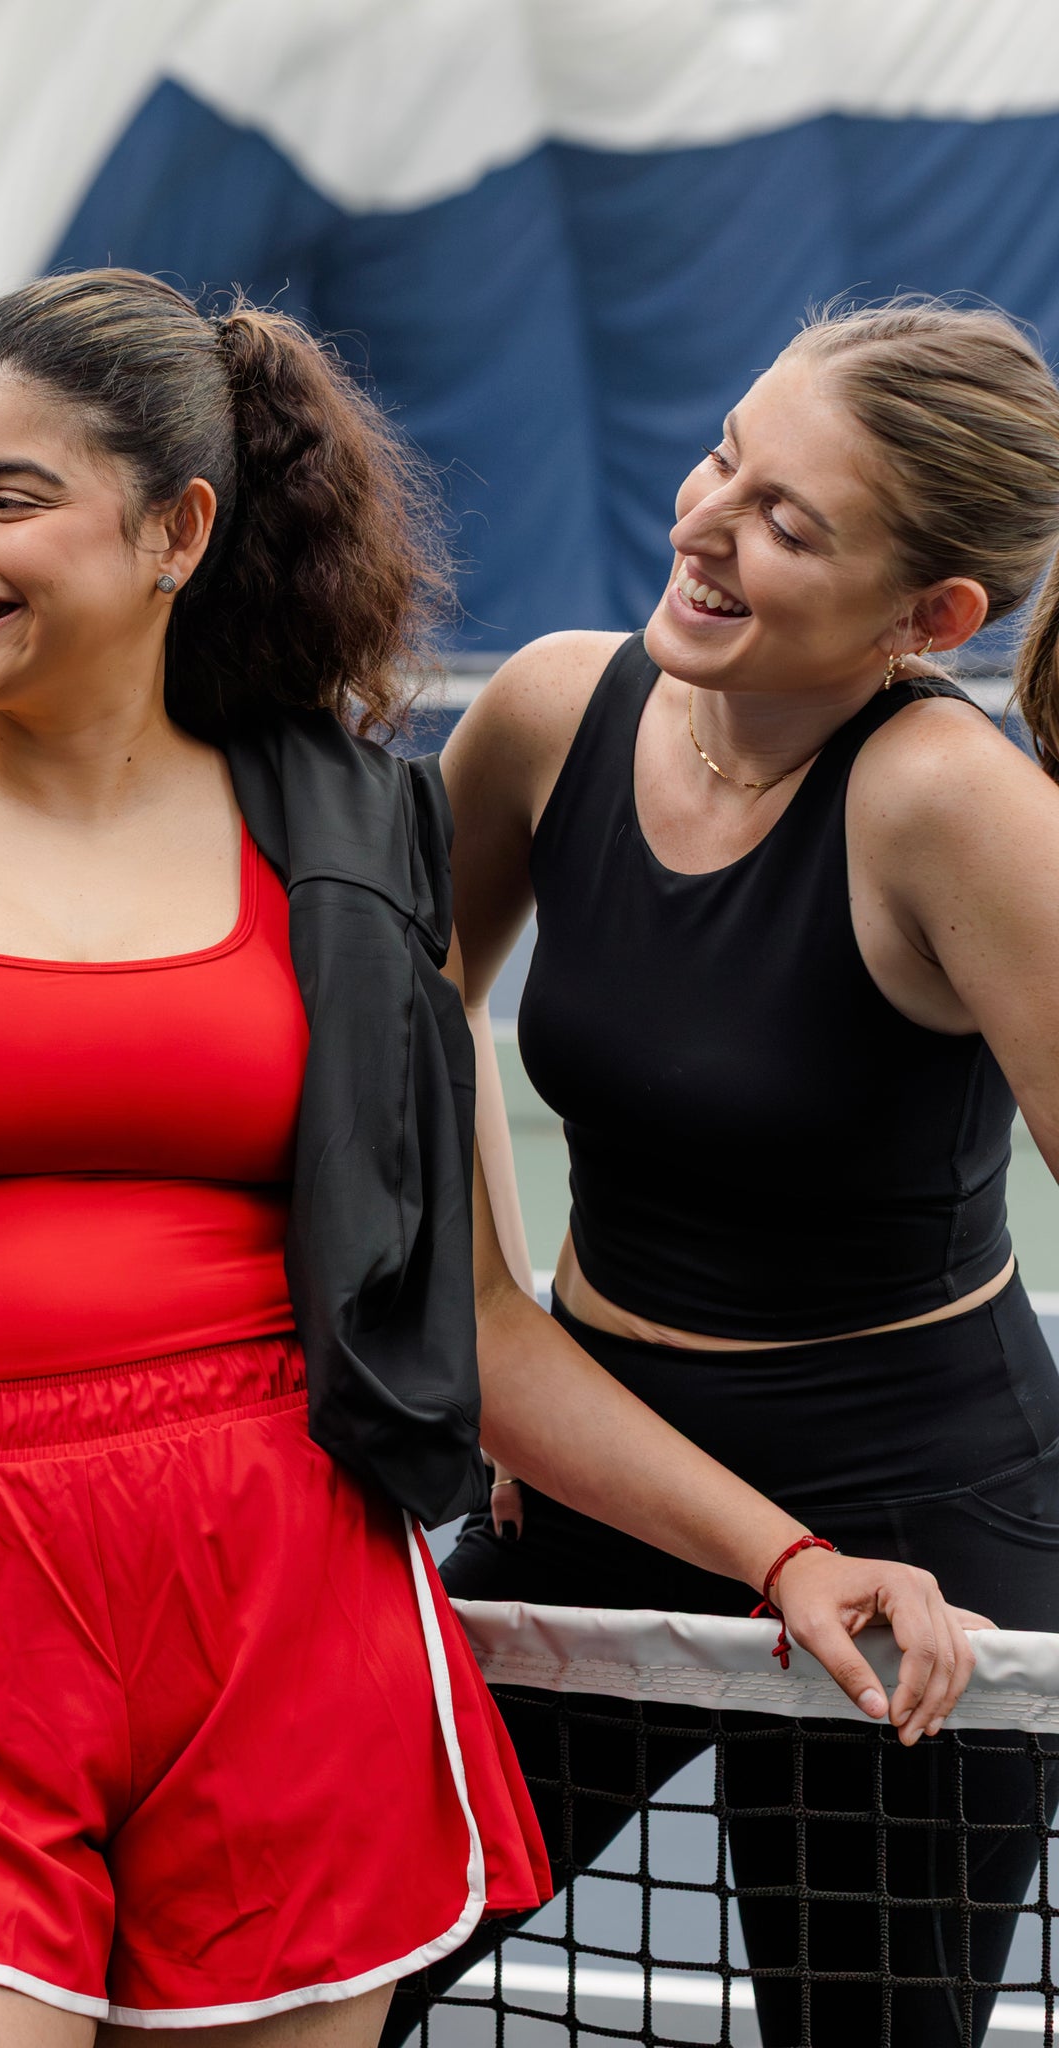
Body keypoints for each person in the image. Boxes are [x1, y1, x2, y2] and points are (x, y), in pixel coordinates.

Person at [0, 269, 972, 2047]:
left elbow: (467, 1318)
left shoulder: (346, 851)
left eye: (5, 497)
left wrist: (783, 1554)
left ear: (179, 528)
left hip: (284, 1637)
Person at [387, 300, 1059, 2048]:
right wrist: (503, 1332)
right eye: (721, 460)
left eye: (788, 521)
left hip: (917, 1540)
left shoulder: (954, 808)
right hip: (593, 1482)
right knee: (328, 1973)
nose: (705, 523)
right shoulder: (548, 711)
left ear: (934, 619)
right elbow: (422, 1010)